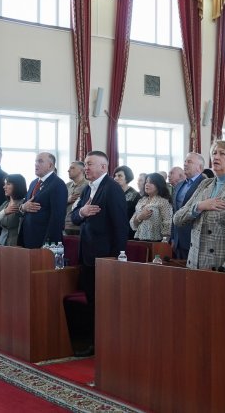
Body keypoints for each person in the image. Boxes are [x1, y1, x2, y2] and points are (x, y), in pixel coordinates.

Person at [70, 151, 128, 356]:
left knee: (103, 302)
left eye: (90, 164)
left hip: (105, 256)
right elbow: (74, 216)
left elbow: (120, 225)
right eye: (85, 164)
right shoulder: (88, 188)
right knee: (91, 299)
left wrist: (118, 257)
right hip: (87, 253)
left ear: (104, 167)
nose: (86, 168)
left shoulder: (112, 189)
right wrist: (82, 212)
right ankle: (93, 343)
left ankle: (102, 345)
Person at [173, 140, 225, 274]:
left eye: (222, 154)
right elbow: (177, 219)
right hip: (195, 264)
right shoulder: (205, 184)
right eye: (214, 153)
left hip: (222, 266)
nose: (216, 157)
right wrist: (199, 206)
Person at [19, 152, 68, 248]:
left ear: (50, 165)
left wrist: (49, 245)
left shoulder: (58, 184)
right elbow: (25, 205)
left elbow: (57, 218)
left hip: (46, 241)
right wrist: (23, 207)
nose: (36, 164)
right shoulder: (33, 183)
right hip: (28, 238)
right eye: (36, 161)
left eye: (40, 161)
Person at [171, 152, 205, 259]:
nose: (185, 164)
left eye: (189, 162)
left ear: (199, 168)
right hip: (178, 239)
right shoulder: (179, 185)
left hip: (194, 239)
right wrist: (173, 237)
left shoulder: (205, 184)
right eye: (185, 161)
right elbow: (175, 212)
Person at [130, 173, 173, 242]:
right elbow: (133, 223)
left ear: (158, 185)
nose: (147, 184)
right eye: (146, 182)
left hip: (156, 241)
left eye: (151, 182)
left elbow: (167, 224)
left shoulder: (163, 201)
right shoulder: (142, 200)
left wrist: (164, 242)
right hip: (139, 239)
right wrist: (140, 217)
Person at [0, 174, 27, 246]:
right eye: (4, 184)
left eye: (8, 184)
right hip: (1, 243)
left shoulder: (23, 204)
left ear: (18, 186)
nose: (4, 187)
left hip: (16, 245)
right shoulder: (5, 204)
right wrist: (4, 212)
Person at [113, 165, 141, 239]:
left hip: (128, 232)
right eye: (115, 176)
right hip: (112, 231)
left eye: (120, 176)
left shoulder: (135, 195)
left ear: (127, 178)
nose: (116, 178)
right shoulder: (112, 193)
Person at [64, 161, 89, 236]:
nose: (68, 170)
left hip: (80, 226)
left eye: (72, 168)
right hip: (65, 225)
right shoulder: (66, 186)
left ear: (81, 170)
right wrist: (67, 200)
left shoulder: (88, 186)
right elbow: (58, 203)